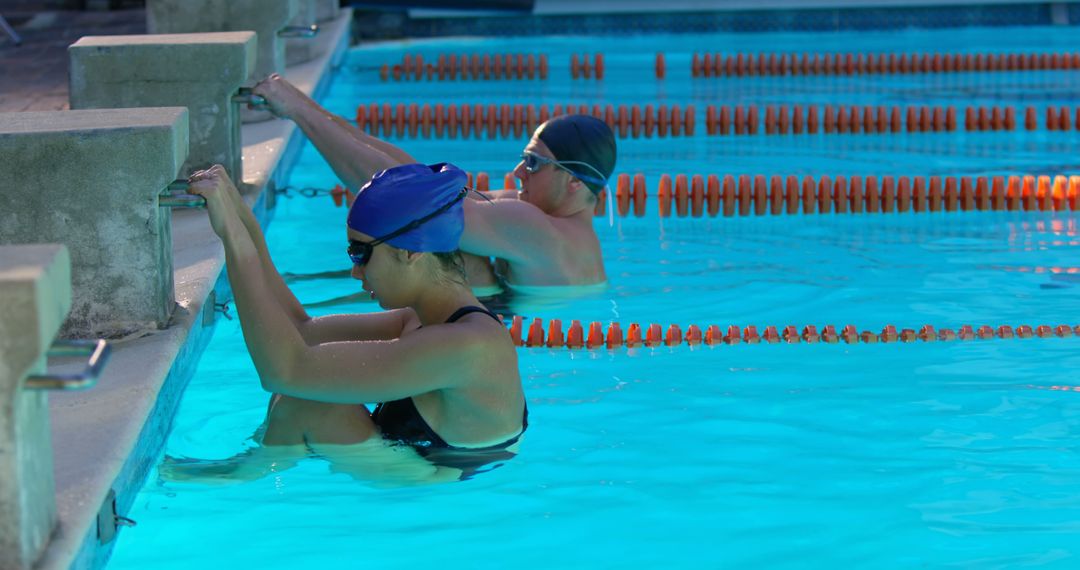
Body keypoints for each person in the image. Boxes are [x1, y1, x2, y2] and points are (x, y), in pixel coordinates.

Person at [161, 162, 527, 484]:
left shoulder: (465, 345)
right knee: (310, 382)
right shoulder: (421, 319)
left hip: (438, 479)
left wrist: (233, 240)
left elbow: (283, 370)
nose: (355, 271)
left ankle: (249, 472)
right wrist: (242, 219)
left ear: (410, 252)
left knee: (305, 399)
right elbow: (301, 332)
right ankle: (263, 458)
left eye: (361, 253)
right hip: (413, 459)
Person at [252, 74, 617, 295]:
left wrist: (301, 114)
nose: (519, 171)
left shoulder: (538, 230)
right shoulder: (546, 224)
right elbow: (423, 178)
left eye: (534, 162)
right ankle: (297, 284)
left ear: (571, 182)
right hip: (510, 332)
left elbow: (412, 198)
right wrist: (307, 108)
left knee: (453, 262)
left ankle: (299, 295)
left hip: (521, 349)